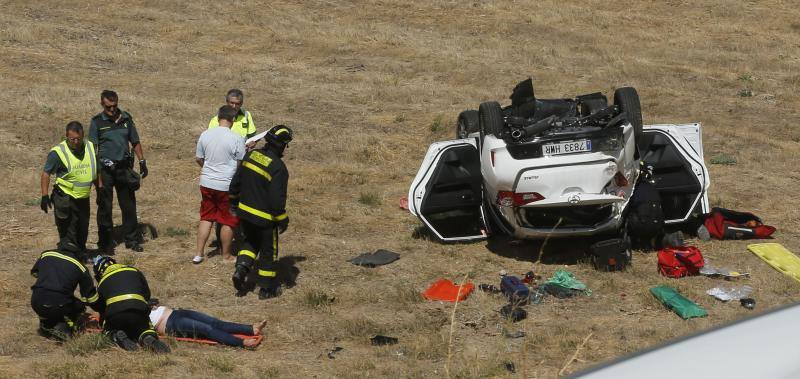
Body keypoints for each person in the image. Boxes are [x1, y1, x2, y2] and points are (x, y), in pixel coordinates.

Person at [229, 125, 292, 299]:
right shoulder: (278, 167)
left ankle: (241, 270)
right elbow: (276, 200)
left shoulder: (251, 155)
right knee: (268, 252)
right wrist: (282, 219)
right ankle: (267, 289)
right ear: (281, 145)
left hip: (244, 214)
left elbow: (236, 182)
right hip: (265, 219)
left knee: (250, 243)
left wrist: (233, 203)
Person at [89, 90, 148, 253]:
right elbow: (93, 150)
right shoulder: (97, 123)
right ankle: (106, 243)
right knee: (105, 207)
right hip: (105, 172)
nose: (113, 110)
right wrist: (96, 175)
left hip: (123, 168)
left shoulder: (126, 119)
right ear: (102, 104)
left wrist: (142, 160)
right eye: (109, 107)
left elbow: (134, 141)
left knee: (129, 205)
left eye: (115, 106)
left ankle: (131, 239)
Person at [193, 105, 246, 263]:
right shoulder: (236, 138)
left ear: (217, 118)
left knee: (206, 217)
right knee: (227, 220)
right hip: (226, 185)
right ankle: (226, 255)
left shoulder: (205, 134)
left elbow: (198, 158)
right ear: (233, 120)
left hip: (206, 182)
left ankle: (199, 253)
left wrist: (208, 169)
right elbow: (240, 162)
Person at [41, 121, 101, 258]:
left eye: (78, 139)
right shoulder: (58, 152)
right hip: (65, 198)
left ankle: (80, 252)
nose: (75, 142)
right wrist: (44, 196)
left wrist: (100, 189)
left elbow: (96, 170)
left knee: (82, 228)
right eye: (72, 139)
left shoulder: (90, 147)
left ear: (83, 135)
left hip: (83, 198)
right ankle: (69, 257)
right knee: (69, 229)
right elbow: (46, 173)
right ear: (66, 136)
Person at [92, 256, 170, 353]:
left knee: (108, 329)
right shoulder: (134, 270)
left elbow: (102, 308)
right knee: (144, 327)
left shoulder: (102, 282)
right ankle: (148, 337)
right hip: (138, 310)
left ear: (99, 271)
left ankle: (116, 335)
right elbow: (147, 295)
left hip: (116, 314)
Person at [30, 248, 100, 341]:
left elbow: (34, 273)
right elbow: (91, 298)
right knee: (79, 306)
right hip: (59, 304)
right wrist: (101, 310)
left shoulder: (46, 254)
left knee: (48, 305)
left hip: (36, 301)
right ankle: (66, 328)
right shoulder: (80, 267)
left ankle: (47, 324)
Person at [149, 302, 265, 348]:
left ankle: (251, 329)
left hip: (175, 312)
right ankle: (241, 342)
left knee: (216, 322)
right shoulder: (132, 315)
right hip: (170, 324)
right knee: (207, 329)